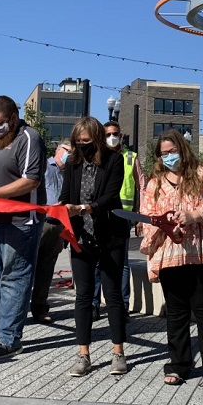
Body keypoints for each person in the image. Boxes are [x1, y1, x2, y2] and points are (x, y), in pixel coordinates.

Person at [139, 129, 203, 390]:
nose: (169, 157)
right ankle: (178, 365)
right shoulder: (155, 183)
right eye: (164, 153)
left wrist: (193, 215)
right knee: (176, 313)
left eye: (173, 151)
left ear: (183, 149)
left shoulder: (202, 172)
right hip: (171, 253)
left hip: (202, 253)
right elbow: (148, 215)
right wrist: (167, 226)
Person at [0, 96, 47, 360]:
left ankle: (10, 339)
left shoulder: (29, 138)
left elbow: (31, 181)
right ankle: (2, 327)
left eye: (0, 123)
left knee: (15, 279)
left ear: (13, 118)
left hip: (22, 223)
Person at [59, 116, 129, 377]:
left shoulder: (114, 160)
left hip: (110, 235)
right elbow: (65, 195)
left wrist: (87, 208)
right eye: (78, 142)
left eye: (86, 141)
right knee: (83, 296)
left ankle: (118, 352)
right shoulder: (73, 163)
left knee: (112, 296)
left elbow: (111, 196)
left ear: (97, 139)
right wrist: (64, 207)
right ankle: (83, 354)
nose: (82, 145)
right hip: (81, 236)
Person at [91, 120, 146, 320]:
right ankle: (94, 305)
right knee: (98, 262)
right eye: (107, 134)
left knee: (122, 264)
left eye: (115, 133)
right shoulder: (97, 158)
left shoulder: (131, 158)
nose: (111, 137)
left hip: (124, 215)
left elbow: (143, 187)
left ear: (121, 136)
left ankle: (123, 306)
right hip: (101, 214)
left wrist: (140, 215)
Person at [30, 140, 71, 323]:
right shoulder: (43, 167)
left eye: (72, 152)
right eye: (66, 150)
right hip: (40, 222)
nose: (68, 154)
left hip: (58, 225)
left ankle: (40, 307)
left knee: (46, 269)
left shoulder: (68, 174)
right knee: (27, 267)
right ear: (58, 150)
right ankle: (17, 308)